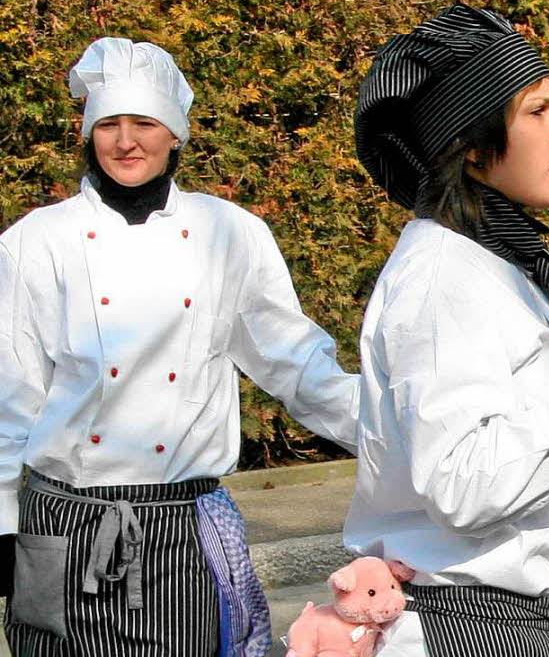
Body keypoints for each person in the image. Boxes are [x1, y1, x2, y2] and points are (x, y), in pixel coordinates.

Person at [0, 38, 362, 655]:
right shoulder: (37, 241)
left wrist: (395, 433)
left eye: (144, 122)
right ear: (88, 134)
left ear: (176, 135)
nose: (125, 141)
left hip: (183, 530)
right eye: (108, 124)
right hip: (65, 527)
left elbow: (294, 363)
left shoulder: (231, 234)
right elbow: (10, 396)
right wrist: (4, 526)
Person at [343, 4, 549, 657]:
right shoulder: (444, 274)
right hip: (469, 631)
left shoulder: (488, 264)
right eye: (539, 111)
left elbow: (518, 437)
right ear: (470, 144)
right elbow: (464, 480)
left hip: (505, 627)